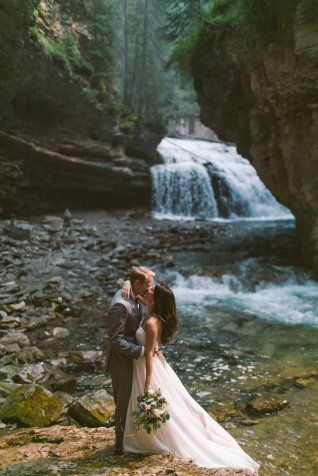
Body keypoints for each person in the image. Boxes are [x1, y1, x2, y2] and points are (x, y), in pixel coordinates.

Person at [122, 282, 260, 473]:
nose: (149, 289)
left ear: (157, 298)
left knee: (164, 407)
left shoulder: (151, 322)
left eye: (152, 290)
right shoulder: (153, 311)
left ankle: (158, 440)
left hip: (148, 367)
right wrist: (127, 285)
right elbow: (139, 297)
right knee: (174, 405)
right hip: (156, 364)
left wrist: (147, 384)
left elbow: (148, 355)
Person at [105, 266, 155, 455]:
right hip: (120, 363)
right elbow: (115, 340)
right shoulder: (120, 305)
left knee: (129, 402)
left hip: (130, 361)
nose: (150, 288)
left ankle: (129, 441)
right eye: (148, 285)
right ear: (137, 283)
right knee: (122, 405)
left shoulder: (132, 291)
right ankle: (119, 447)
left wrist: (126, 281)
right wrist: (142, 350)